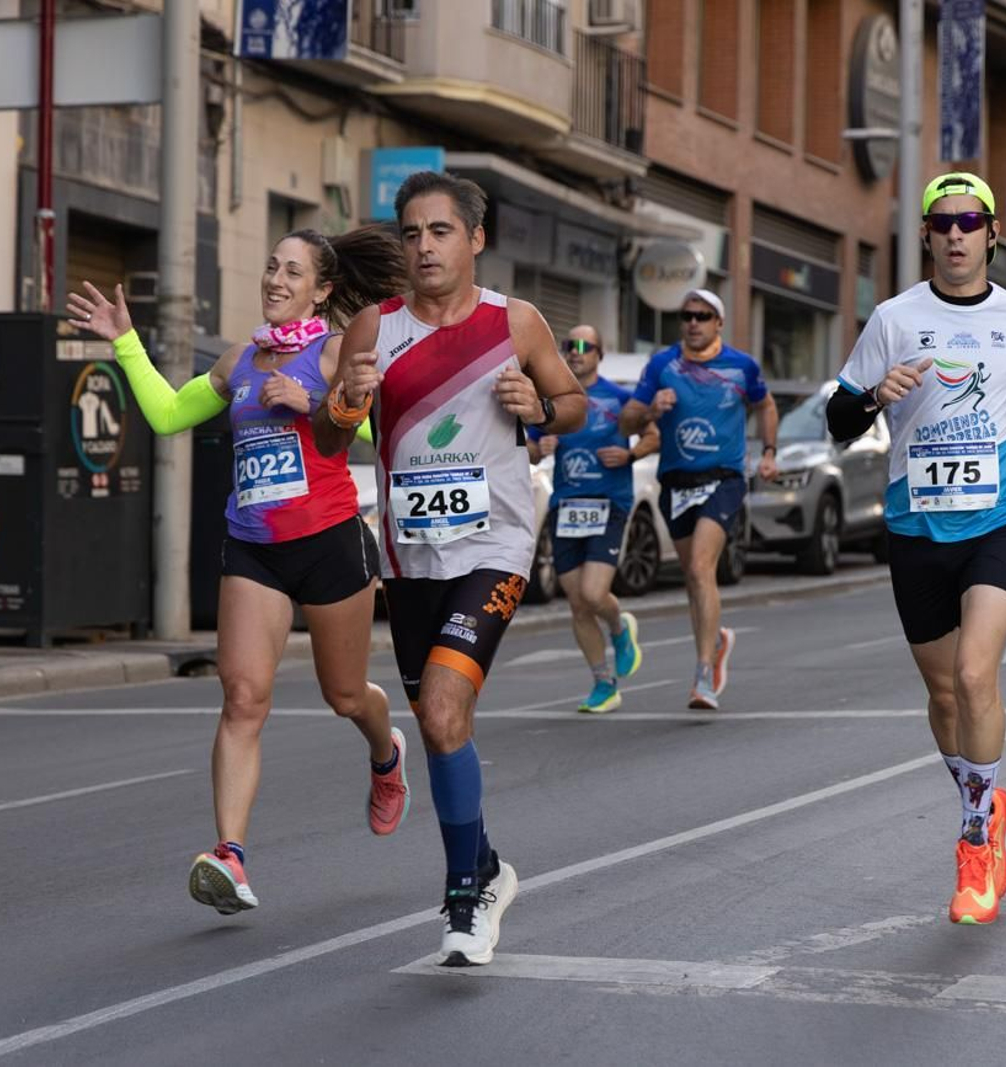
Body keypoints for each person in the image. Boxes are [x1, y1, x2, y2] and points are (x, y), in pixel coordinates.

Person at [66, 224, 411, 917]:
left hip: (330, 542)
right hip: (253, 548)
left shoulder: (336, 351)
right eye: (271, 267)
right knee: (243, 698)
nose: (276, 280)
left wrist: (314, 403)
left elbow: (380, 433)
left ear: (322, 290)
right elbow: (168, 415)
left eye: (293, 272)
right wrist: (125, 340)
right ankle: (230, 854)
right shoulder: (238, 363)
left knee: (346, 695)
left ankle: (386, 751)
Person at [313, 170, 585, 967]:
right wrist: (346, 401)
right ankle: (490, 863)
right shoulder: (373, 328)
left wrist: (539, 408)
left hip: (495, 548)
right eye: (412, 233)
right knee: (442, 730)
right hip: (410, 558)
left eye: (440, 231)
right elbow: (330, 443)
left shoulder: (515, 321)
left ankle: (464, 893)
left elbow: (573, 404)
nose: (424, 246)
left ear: (476, 239)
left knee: (439, 710)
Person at [825, 172, 1006, 926]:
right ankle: (988, 802)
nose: (957, 234)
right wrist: (876, 396)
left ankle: (975, 844)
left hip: (1002, 520)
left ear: (993, 233)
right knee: (942, 695)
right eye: (943, 222)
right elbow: (839, 419)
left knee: (974, 674)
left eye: (970, 221)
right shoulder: (894, 319)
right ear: (926, 236)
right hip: (917, 527)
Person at [618, 289, 777, 710]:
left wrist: (768, 452)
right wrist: (651, 409)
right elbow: (627, 421)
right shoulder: (662, 365)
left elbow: (766, 405)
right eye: (687, 315)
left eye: (703, 316)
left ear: (718, 322)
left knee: (701, 567)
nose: (693, 322)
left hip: (723, 478)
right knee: (692, 575)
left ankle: (703, 673)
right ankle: (717, 641)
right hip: (676, 480)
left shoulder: (742, 366)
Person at [526, 324, 655, 713]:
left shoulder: (619, 398)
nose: (575, 351)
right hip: (566, 505)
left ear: (600, 354)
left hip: (608, 502)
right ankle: (603, 684)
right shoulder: (552, 401)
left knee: (594, 594)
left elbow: (653, 434)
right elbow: (529, 448)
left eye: (585, 346)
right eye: (569, 345)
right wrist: (540, 447)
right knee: (578, 604)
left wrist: (630, 455)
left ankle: (619, 627)